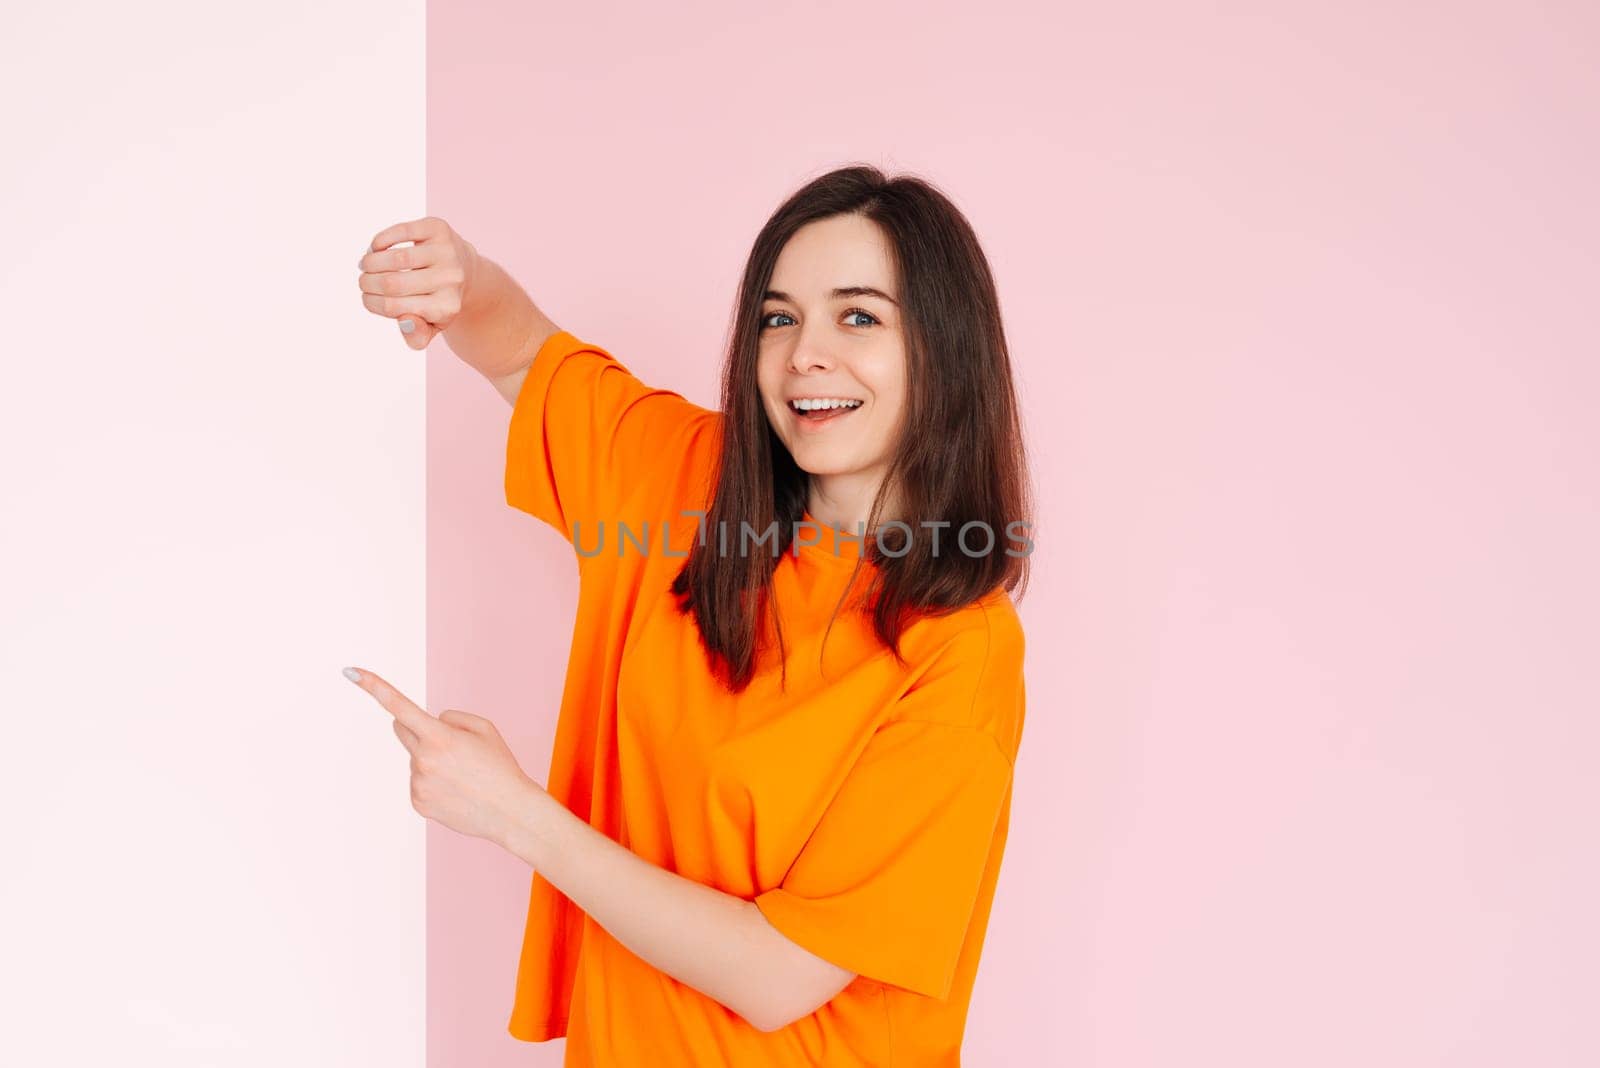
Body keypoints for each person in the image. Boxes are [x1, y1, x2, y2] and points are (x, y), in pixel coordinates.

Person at [355, 164, 1033, 1066]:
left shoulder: (961, 651)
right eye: (778, 317)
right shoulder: (686, 483)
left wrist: (516, 814)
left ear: (946, 350)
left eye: (859, 316)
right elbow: (523, 354)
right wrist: (462, 280)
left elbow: (778, 977)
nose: (805, 354)